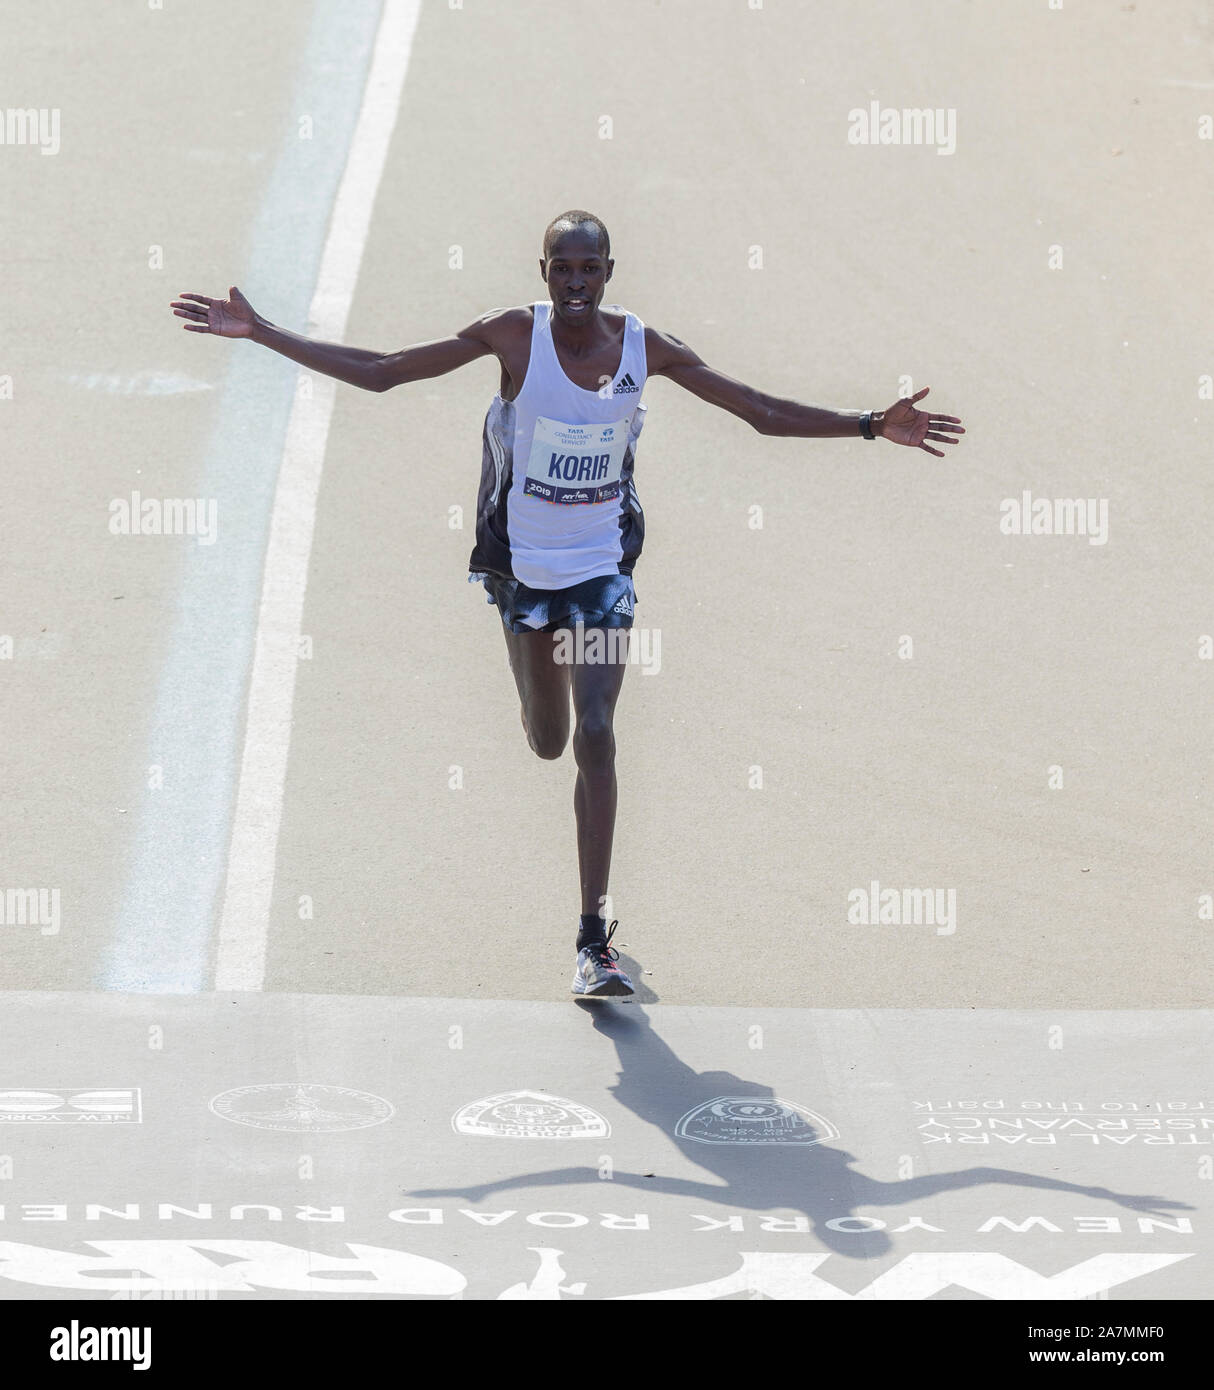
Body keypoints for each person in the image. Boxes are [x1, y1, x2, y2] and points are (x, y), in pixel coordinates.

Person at [171, 208, 965, 1000]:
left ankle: (594, 939)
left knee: (594, 734)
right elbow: (384, 372)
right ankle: (532, 677)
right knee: (546, 740)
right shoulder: (514, 337)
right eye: (563, 268)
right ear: (543, 273)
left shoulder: (644, 349)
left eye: (590, 269)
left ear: (610, 273)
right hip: (521, 572)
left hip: (598, 569)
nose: (577, 282)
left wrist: (868, 424)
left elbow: (757, 412)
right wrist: (262, 331)